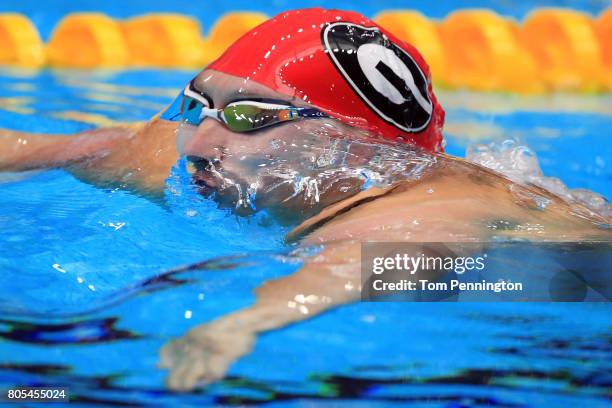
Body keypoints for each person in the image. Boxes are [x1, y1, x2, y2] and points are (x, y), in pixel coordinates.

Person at [0, 8, 609, 391]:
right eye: (197, 103)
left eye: (247, 115)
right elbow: (75, 146)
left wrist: (245, 323)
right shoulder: (204, 151)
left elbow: (378, 263)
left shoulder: (422, 207)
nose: (200, 141)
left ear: (357, 148)